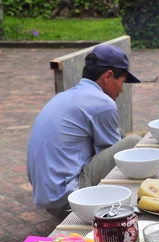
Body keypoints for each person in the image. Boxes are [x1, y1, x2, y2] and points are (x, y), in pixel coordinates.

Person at [27, 45, 142, 219]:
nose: (122, 89)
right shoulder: (103, 103)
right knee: (132, 143)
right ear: (108, 76)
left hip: (49, 196)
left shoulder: (65, 96)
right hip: (68, 200)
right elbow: (118, 160)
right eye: (122, 82)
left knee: (119, 134)